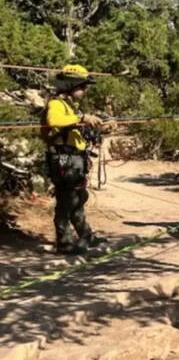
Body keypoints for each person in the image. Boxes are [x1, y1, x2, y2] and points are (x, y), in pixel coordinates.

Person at [43, 64, 106, 254]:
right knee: (67, 200)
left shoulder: (71, 106)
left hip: (75, 159)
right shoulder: (56, 104)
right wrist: (82, 118)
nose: (84, 90)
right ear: (70, 85)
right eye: (82, 86)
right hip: (64, 159)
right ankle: (64, 242)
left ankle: (86, 235)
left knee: (79, 198)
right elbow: (53, 121)